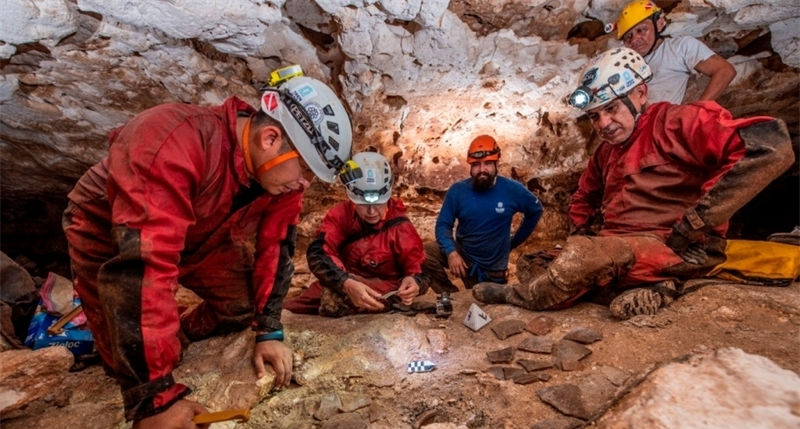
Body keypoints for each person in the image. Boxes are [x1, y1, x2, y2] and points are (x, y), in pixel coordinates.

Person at [62, 66, 353, 429]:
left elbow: (276, 247)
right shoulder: (171, 138)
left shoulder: (278, 182)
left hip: (202, 231)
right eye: (305, 171)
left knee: (240, 307)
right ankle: (151, 364)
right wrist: (155, 401)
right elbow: (144, 265)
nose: (304, 184)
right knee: (124, 355)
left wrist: (268, 330)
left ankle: (175, 335)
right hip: (111, 232)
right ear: (271, 138)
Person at [473, 47, 793, 318]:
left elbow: (771, 148)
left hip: (672, 245)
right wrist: (581, 233)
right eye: (595, 116)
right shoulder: (606, 153)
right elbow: (584, 196)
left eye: (610, 109)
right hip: (618, 246)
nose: (603, 124)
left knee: (580, 261)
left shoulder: (678, 122)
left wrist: (696, 222)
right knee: (535, 261)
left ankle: (517, 296)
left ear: (640, 94)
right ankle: (644, 286)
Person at [284, 151, 429, 316]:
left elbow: (418, 266)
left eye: (379, 204)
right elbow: (319, 253)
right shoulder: (340, 216)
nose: (371, 211)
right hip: (344, 280)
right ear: (351, 198)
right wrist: (345, 282)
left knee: (334, 302)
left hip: (384, 289)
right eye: (363, 204)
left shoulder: (399, 226)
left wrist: (414, 281)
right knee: (289, 310)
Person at [422, 135, 544, 293]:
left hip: (491, 270)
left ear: (496, 163)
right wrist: (451, 252)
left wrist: (512, 242)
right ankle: (450, 295)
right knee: (422, 253)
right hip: (463, 257)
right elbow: (443, 225)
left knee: (482, 305)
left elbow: (535, 210)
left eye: (487, 164)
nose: (482, 170)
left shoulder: (512, 189)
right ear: (470, 167)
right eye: (476, 165)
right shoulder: (458, 191)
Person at [612, 0, 736, 104]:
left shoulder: (680, 47)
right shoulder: (625, 65)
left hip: (664, 125)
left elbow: (725, 71)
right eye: (628, 37)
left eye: (641, 30)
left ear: (659, 24)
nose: (635, 40)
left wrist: (697, 111)